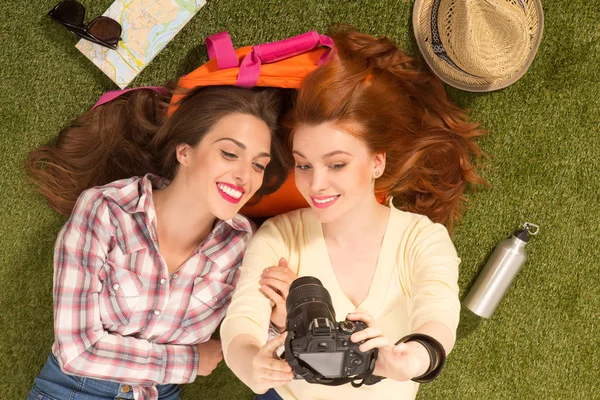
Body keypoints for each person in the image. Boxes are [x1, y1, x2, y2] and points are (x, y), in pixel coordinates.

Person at [220, 26, 487, 400]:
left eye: (337, 165)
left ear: (376, 163)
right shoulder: (279, 238)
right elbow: (242, 320)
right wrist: (249, 362)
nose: (315, 186)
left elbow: (437, 311)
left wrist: (412, 358)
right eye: (305, 165)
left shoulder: (422, 239)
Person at [26, 85, 292, 400]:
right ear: (185, 152)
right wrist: (190, 361)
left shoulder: (244, 245)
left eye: (258, 165)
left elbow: (251, 348)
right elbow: (78, 351)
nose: (244, 175)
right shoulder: (106, 210)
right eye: (230, 153)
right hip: (74, 389)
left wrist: (279, 320)